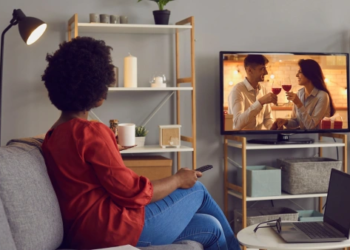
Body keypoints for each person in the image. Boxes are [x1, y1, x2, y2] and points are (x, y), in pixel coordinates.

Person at [41, 37, 240, 250]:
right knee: (197, 189)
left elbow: (82, 171)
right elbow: (132, 193)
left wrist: (109, 147)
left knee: (211, 226)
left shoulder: (52, 136)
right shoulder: (91, 131)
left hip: (84, 231)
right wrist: (178, 179)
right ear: (98, 88)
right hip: (111, 230)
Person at [270, 59, 335, 130]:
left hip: (318, 138)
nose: (297, 75)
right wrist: (286, 122)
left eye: (300, 72)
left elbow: (311, 126)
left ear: (309, 74)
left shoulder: (322, 96)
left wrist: (299, 104)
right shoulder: (300, 93)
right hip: (304, 138)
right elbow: (296, 122)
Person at [228, 54, 277, 130]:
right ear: (249, 70)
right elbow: (236, 124)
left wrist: (272, 126)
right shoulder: (237, 91)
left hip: (259, 139)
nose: (266, 72)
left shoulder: (263, 90)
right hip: (242, 140)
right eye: (262, 69)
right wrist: (260, 102)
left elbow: (267, 119)